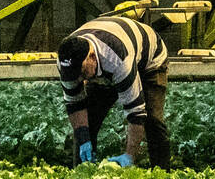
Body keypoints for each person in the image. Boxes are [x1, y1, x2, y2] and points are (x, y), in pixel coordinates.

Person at [57, 16, 169, 169]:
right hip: (105, 64)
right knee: (88, 124)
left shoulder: (118, 58)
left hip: (150, 60)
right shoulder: (66, 63)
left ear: (91, 57)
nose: (79, 79)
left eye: (82, 72)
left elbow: (136, 113)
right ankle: (81, 173)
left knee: (152, 119)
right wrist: (84, 138)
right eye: (74, 74)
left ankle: (162, 172)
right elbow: (74, 104)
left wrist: (129, 155)